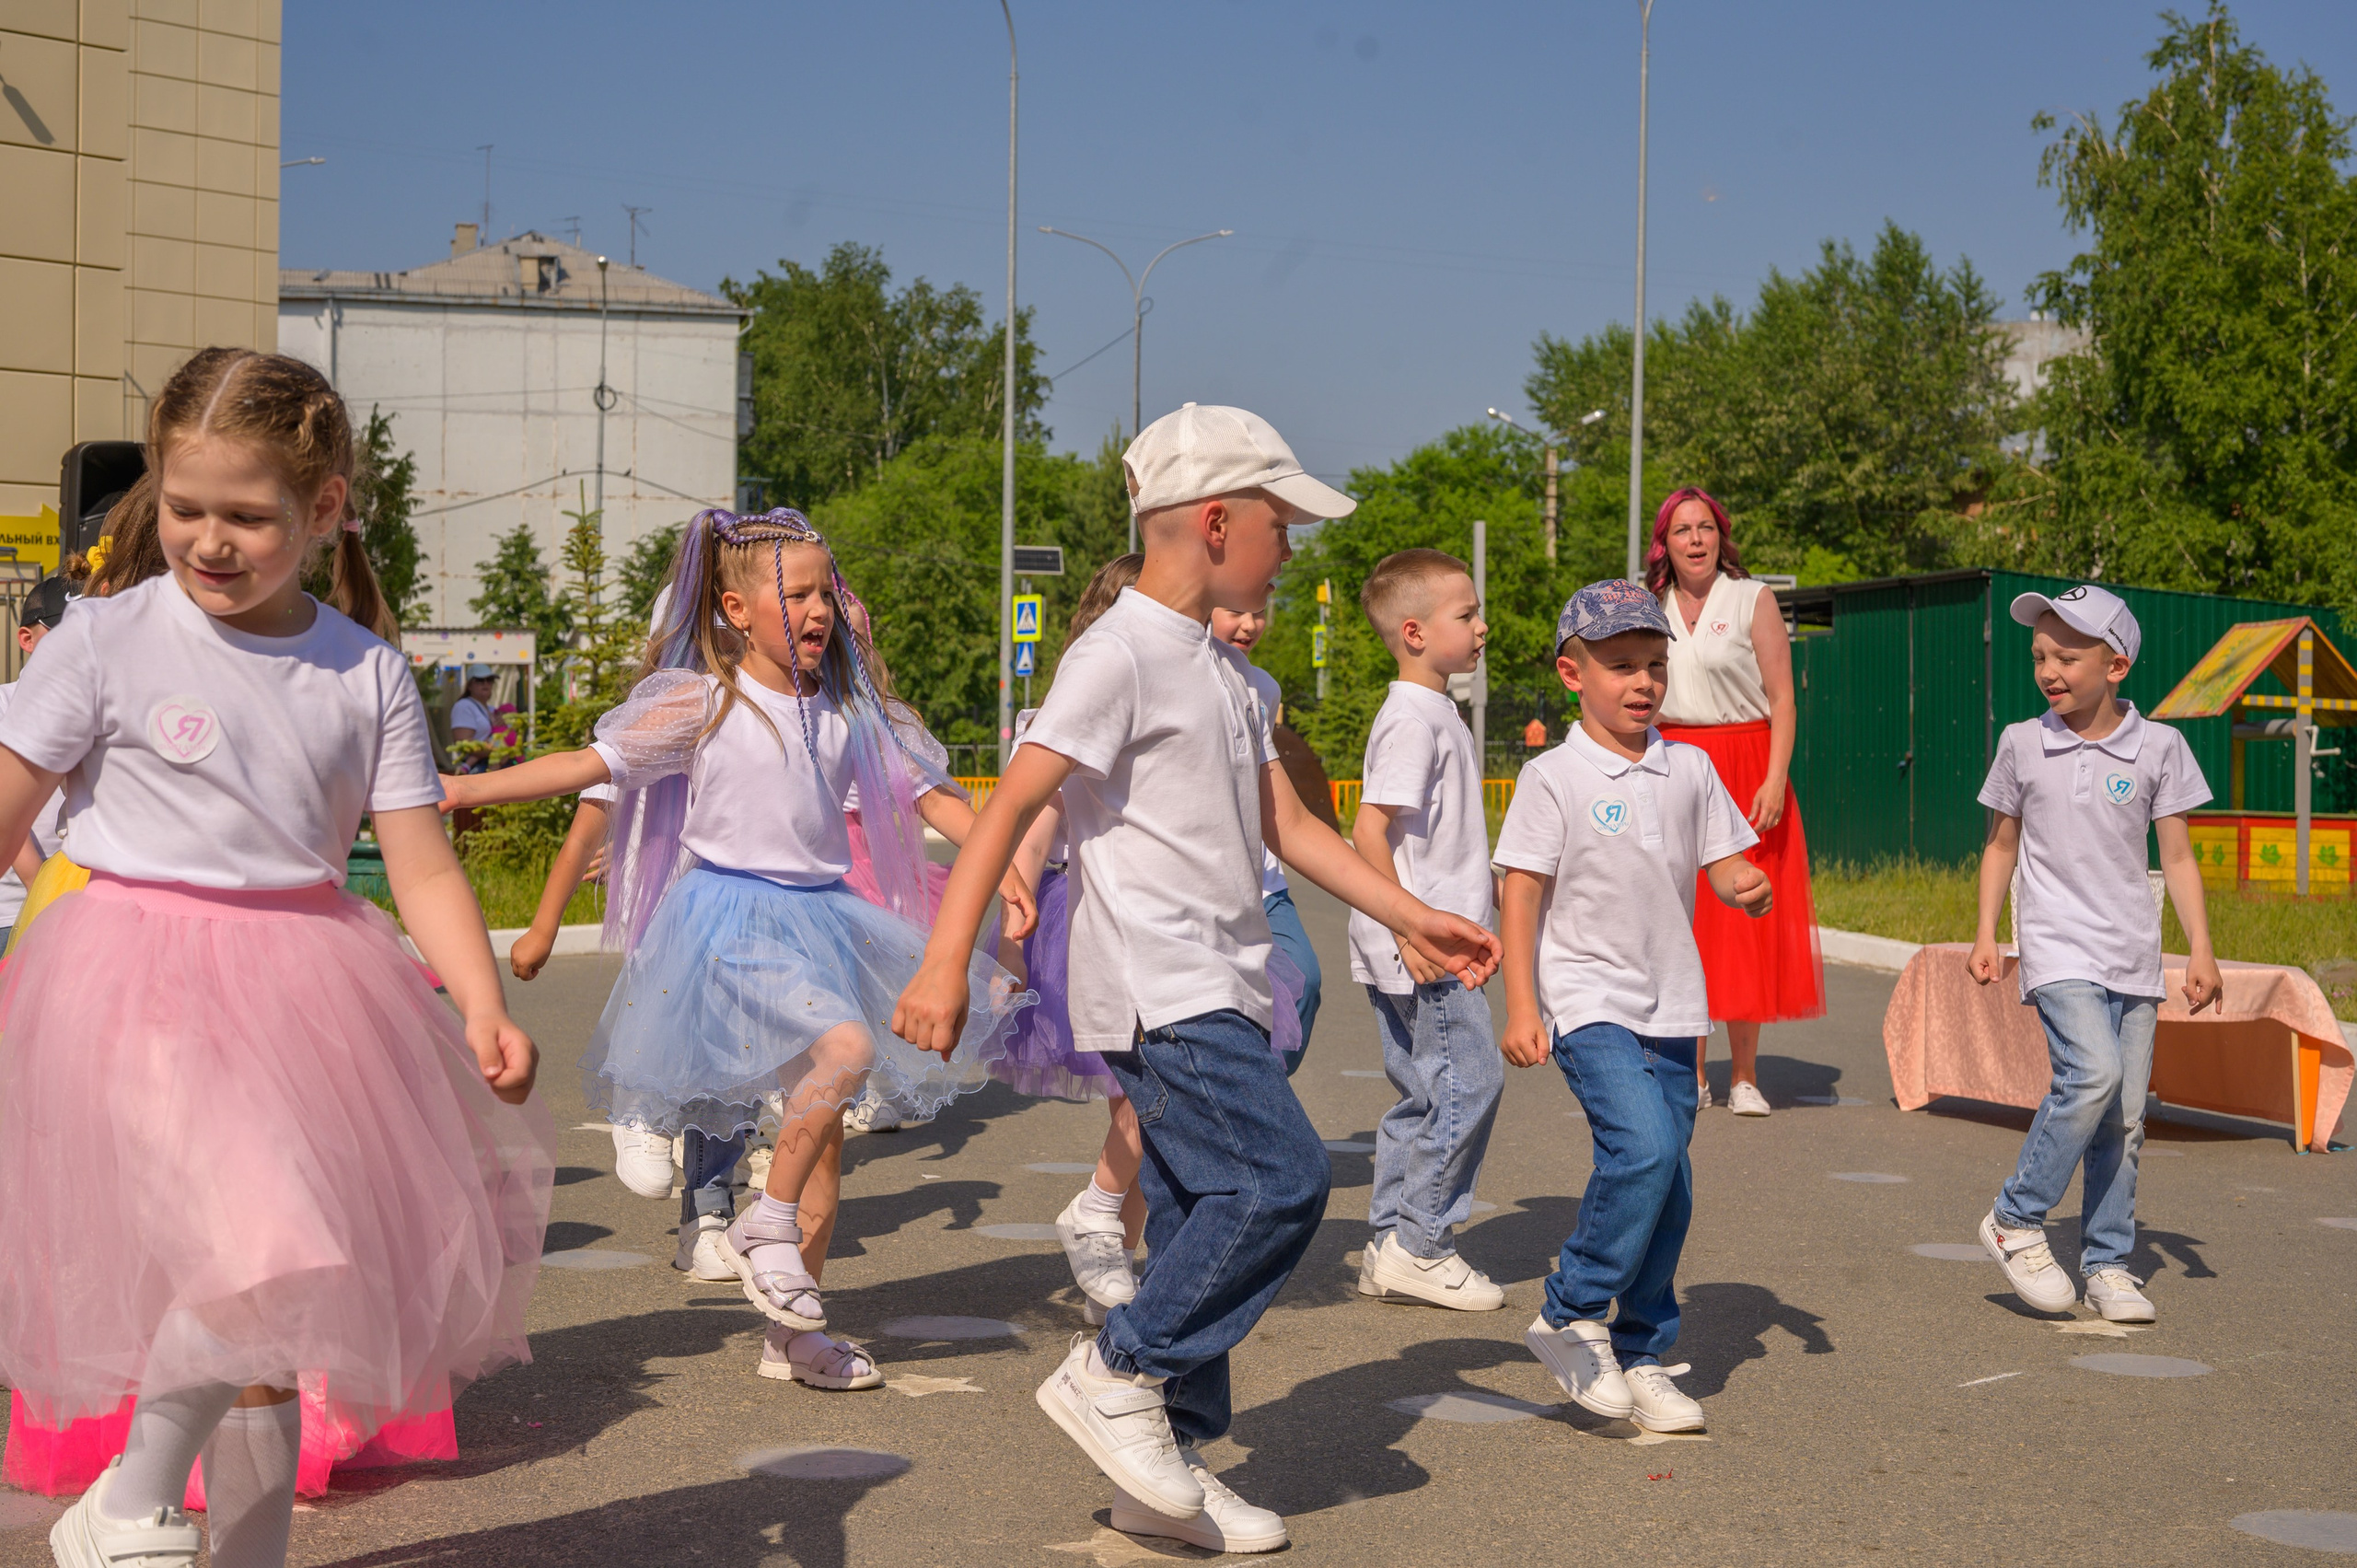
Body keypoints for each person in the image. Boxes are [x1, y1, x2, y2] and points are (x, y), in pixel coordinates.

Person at [894, 402, 1501, 1554]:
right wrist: (941, 962)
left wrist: (1417, 912)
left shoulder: (1222, 669)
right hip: (1154, 984)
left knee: (1186, 1216)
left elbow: (1292, 825)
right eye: (1281, 521)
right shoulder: (1115, 650)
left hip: (1226, 973)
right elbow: (1013, 801)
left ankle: (1161, 1466)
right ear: (1215, 521)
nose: (1293, 544)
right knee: (1276, 1183)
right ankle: (1114, 1369)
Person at [0, 345, 551, 1568]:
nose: (209, 540)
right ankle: (128, 1501)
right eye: (185, 507)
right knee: (267, 1251)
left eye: (247, 516)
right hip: (129, 982)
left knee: (266, 1320)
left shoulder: (362, 672)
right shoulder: (103, 638)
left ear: (325, 508)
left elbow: (418, 864)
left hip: (308, 993)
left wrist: (481, 998)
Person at [442, 505, 1038, 1395]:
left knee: (825, 1146)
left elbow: (934, 798)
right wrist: (463, 786)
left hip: (823, 923)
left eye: (826, 591)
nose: (817, 608)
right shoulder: (707, 702)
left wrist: (1004, 863)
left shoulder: (850, 710)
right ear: (734, 606)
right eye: (795, 593)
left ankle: (794, 1333)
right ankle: (764, 1224)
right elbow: (585, 766)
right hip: (730, 926)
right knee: (848, 1049)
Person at [1494, 579, 1769, 1436]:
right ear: (1573, 673)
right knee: (1643, 1149)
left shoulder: (1690, 766)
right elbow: (1522, 892)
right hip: (1588, 998)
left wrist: (1747, 887)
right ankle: (1570, 1308)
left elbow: (1722, 864)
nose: (1643, 681)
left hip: (1675, 1005)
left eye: (1655, 663)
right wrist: (1522, 1004)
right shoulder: (1553, 775)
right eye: (1620, 665)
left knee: (1671, 1186)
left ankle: (1642, 1349)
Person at [1968, 585, 2221, 1323]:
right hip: (2055, 943)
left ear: (2117, 664)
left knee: (2127, 1115)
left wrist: (2200, 948)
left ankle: (2108, 1262)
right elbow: (2000, 844)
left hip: (2133, 952)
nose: (2048, 668)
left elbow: (2176, 859)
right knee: (2094, 1075)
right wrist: (1987, 931)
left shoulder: (2160, 747)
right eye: (2040, 654)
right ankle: (2016, 1216)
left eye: (2066, 656)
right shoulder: (2022, 741)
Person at [1347, 549, 1504, 1311]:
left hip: (1414, 940)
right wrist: (1411, 932)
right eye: (1467, 614)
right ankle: (1423, 1242)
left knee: (1420, 1092)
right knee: (1470, 1079)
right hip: (1424, 949)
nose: (1483, 627)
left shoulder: (1430, 710)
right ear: (1414, 631)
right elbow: (1368, 831)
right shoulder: (1413, 717)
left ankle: (1388, 1238)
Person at [1648, 487, 1824, 1117]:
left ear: (1721, 536)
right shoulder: (1649, 605)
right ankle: (1690, 1072)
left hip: (1748, 764)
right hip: (1671, 762)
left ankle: (1744, 1074)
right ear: (1664, 543)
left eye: (1705, 528)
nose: (1695, 540)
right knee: (1685, 920)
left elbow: (1782, 699)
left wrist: (1776, 777)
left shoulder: (1753, 598)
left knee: (1744, 917)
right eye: (1682, 530)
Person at [1208, 601, 1323, 1070]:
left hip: (1263, 881)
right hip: (1198, 881)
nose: (1250, 624)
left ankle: (1260, 1101)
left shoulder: (1265, 689)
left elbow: (1271, 799)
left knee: (1304, 982)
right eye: (1235, 610)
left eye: (1260, 611)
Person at [0, 575, 75, 947]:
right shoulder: (4, 703)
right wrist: (39, 891)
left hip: (80, 900)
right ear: (26, 639)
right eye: (64, 631)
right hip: (16, 907)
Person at [447, 664, 499, 772]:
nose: (486, 684)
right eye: (480, 680)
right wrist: (496, 750)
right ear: (470, 685)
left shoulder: (491, 709)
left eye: (489, 680)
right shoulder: (464, 706)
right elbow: (463, 743)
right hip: (477, 768)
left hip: (491, 764)